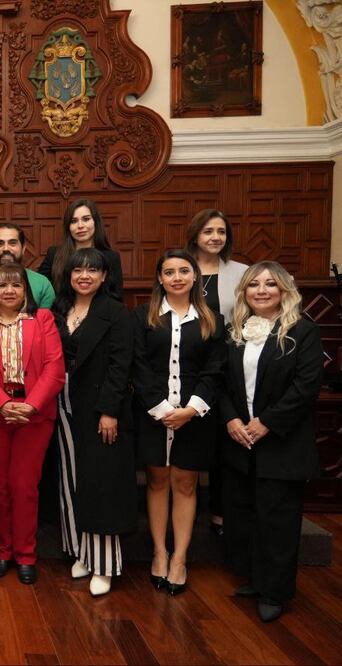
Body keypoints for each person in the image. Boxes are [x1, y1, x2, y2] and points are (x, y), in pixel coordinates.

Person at [220, 261, 324, 622]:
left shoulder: (304, 331)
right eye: (253, 285)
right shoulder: (234, 331)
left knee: (278, 519)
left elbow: (306, 386)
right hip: (240, 440)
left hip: (281, 442)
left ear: (284, 291)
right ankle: (253, 577)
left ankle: (275, 591)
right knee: (246, 513)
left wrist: (266, 422)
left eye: (270, 285)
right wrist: (231, 418)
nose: (261, 291)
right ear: (244, 291)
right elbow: (221, 382)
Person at [132, 249, 226, 596]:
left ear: (194, 276)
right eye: (169, 271)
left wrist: (191, 409)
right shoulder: (144, 316)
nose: (176, 277)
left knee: (186, 483)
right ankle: (159, 551)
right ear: (160, 278)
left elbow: (215, 370)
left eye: (183, 271)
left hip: (195, 416)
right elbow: (138, 365)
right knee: (157, 480)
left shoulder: (212, 319)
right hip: (152, 411)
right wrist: (160, 408)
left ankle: (180, 558)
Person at [51, 249, 136, 596]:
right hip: (63, 406)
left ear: (104, 276)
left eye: (92, 270)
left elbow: (121, 365)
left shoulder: (115, 312)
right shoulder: (60, 310)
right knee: (70, 479)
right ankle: (80, 551)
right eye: (78, 270)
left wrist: (109, 410)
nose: (84, 275)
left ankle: (103, 563)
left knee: (101, 483)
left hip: (100, 410)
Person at [0, 262, 64, 584]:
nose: (9, 290)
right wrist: (2, 404)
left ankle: (26, 554)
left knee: (24, 486)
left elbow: (55, 369)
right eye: (3, 285)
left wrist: (29, 406)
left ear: (26, 290)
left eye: (16, 285)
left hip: (34, 416)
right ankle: (1, 550)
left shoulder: (43, 320)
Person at [184, 208, 249, 536]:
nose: (215, 237)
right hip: (187, 365)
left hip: (228, 364)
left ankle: (221, 514)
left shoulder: (242, 272)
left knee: (226, 441)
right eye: (208, 231)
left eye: (221, 232)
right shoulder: (181, 267)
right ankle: (187, 511)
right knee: (192, 442)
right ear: (196, 235)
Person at [38, 199, 123, 298]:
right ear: (68, 227)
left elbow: (117, 296)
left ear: (96, 222)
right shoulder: (54, 254)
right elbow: (39, 289)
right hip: (60, 311)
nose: (80, 226)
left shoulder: (111, 257)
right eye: (73, 221)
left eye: (86, 219)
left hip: (100, 312)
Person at [0, 223, 55, 310]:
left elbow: (46, 320)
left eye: (12, 243)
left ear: (23, 248)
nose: (6, 248)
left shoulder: (42, 283)